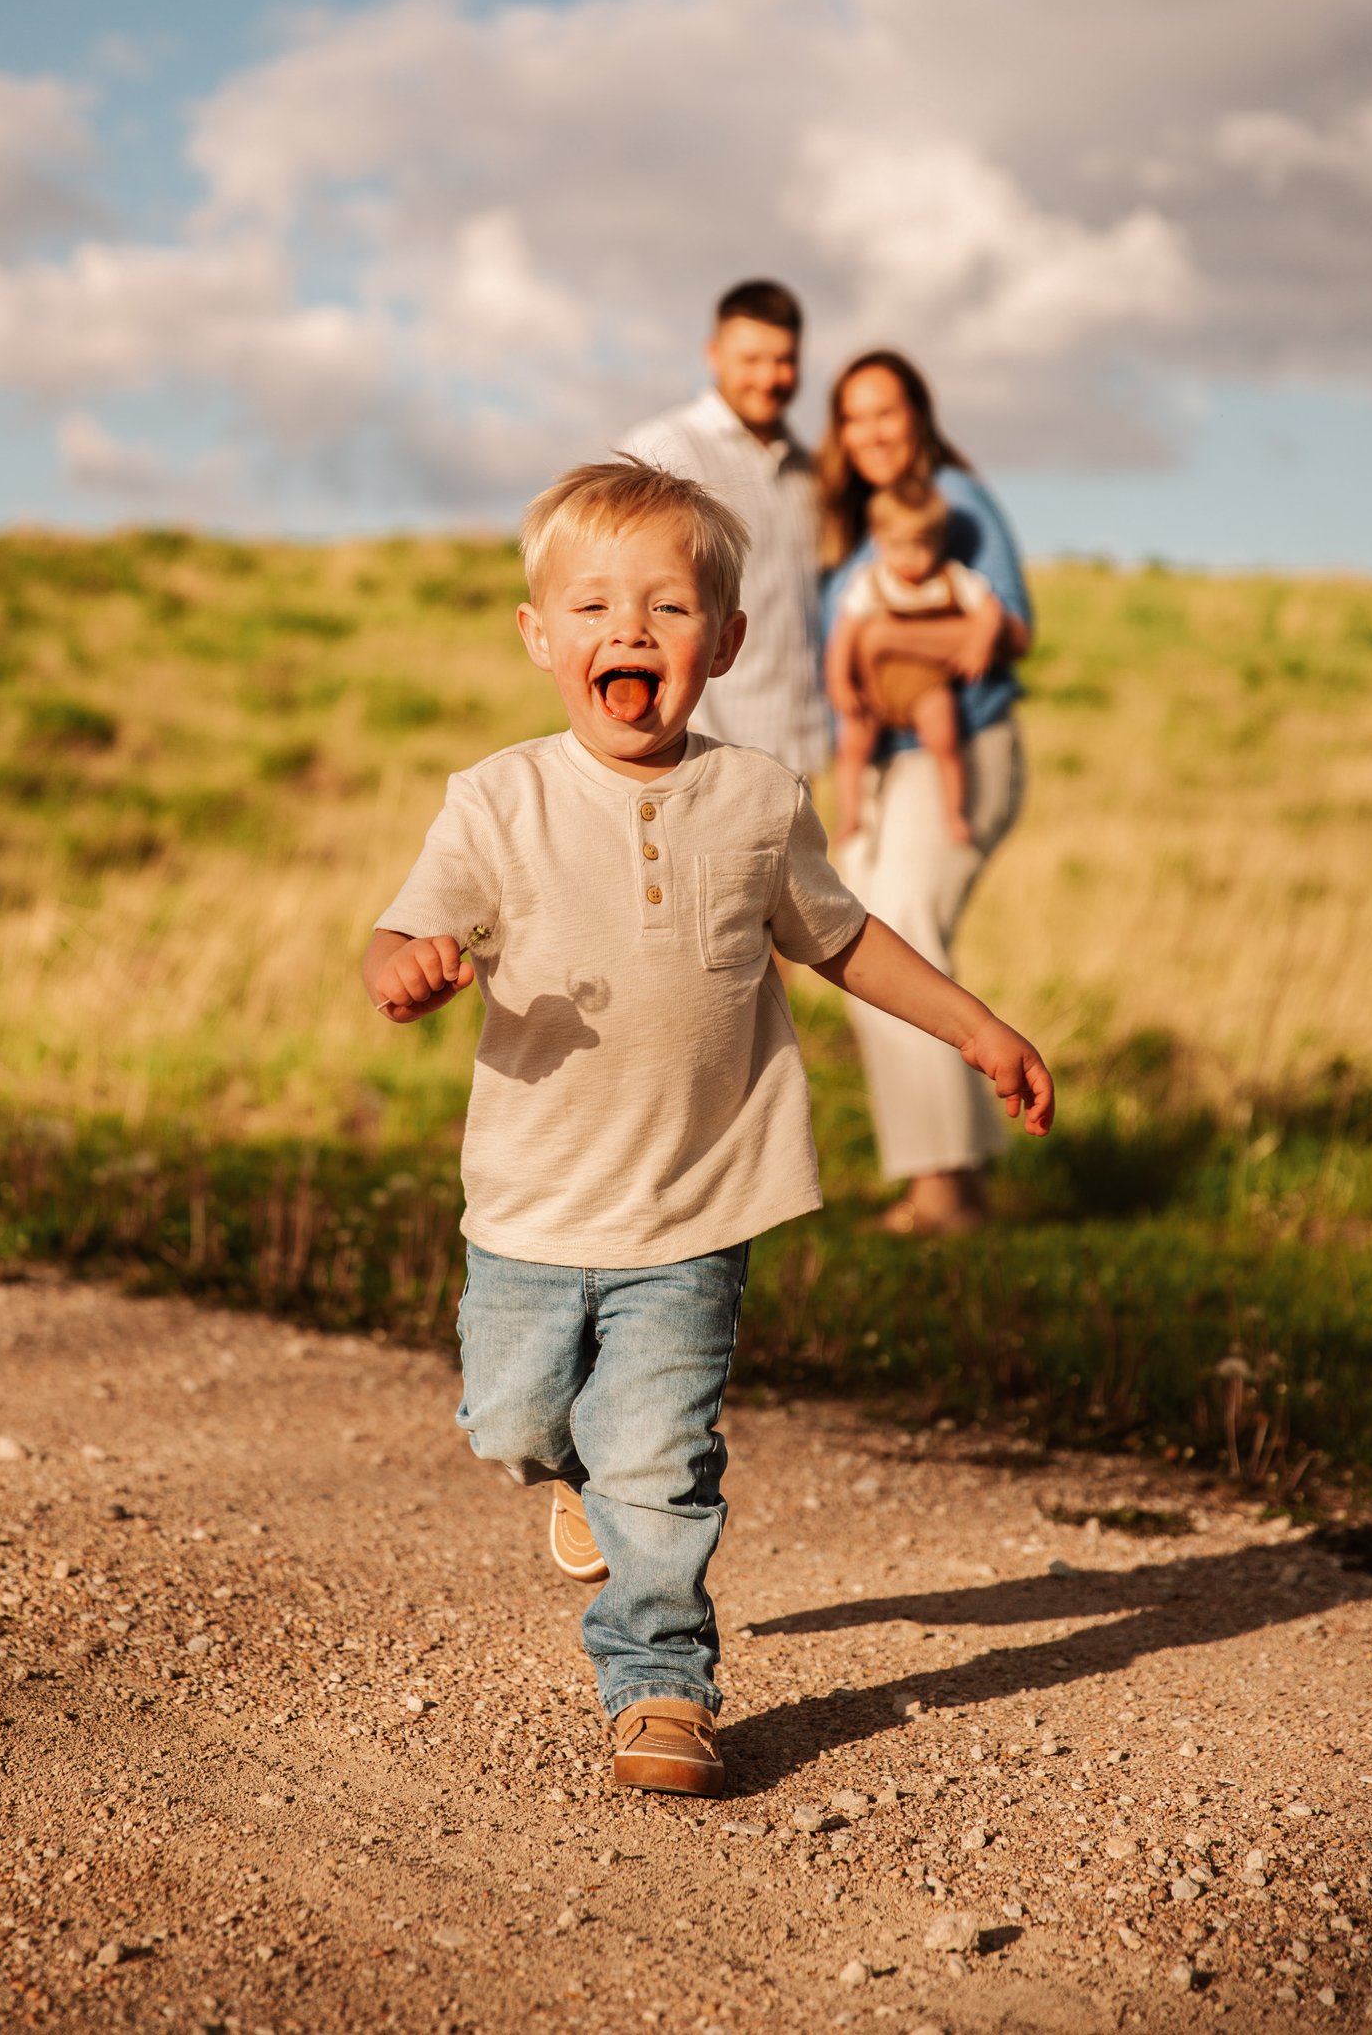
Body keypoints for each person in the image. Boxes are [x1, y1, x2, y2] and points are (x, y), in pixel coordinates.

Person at [363, 459, 1053, 1796]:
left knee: (663, 1463)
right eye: (594, 606)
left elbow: (843, 940)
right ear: (539, 636)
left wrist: (976, 1029)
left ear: (724, 642)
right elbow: (401, 929)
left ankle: (660, 1685)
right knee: (510, 1423)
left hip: (698, 1206)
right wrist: (404, 969)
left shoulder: (758, 799)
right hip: (530, 1206)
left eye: (668, 607)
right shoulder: (496, 799)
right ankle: (574, 1478)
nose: (629, 630)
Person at [818, 350, 1034, 1238]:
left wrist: (879, 643)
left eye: (887, 411)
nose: (871, 431)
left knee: (898, 929)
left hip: (960, 748)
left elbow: (1011, 626)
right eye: (854, 416)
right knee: (859, 942)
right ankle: (958, 1179)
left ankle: (942, 1191)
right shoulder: (854, 527)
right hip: (881, 764)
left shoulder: (956, 500)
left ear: (918, 415)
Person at [620, 279, 828, 776]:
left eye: (784, 360)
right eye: (751, 359)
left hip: (800, 752)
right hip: (700, 755)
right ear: (713, 354)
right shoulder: (665, 448)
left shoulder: (811, 472)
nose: (769, 377)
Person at [826, 476, 1003, 848]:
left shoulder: (951, 579)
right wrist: (841, 683)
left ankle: (954, 813)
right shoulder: (871, 582)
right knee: (852, 745)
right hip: (874, 689)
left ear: (940, 541)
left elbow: (990, 611)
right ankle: (851, 815)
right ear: (878, 541)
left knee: (945, 740)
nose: (908, 557)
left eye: (920, 545)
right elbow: (843, 638)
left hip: (927, 687)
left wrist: (979, 644)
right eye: (897, 545)